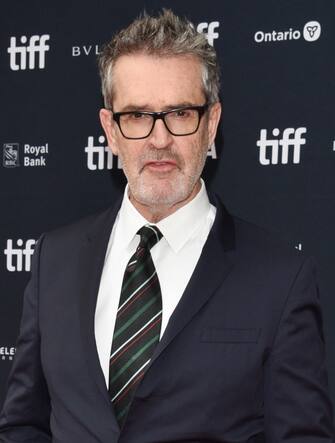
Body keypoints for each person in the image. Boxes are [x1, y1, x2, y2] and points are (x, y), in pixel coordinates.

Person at [0, 9, 334, 443]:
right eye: (137, 116)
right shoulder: (54, 260)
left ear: (211, 123)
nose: (159, 139)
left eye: (179, 113)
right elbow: (24, 424)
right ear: (110, 130)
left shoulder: (281, 278)